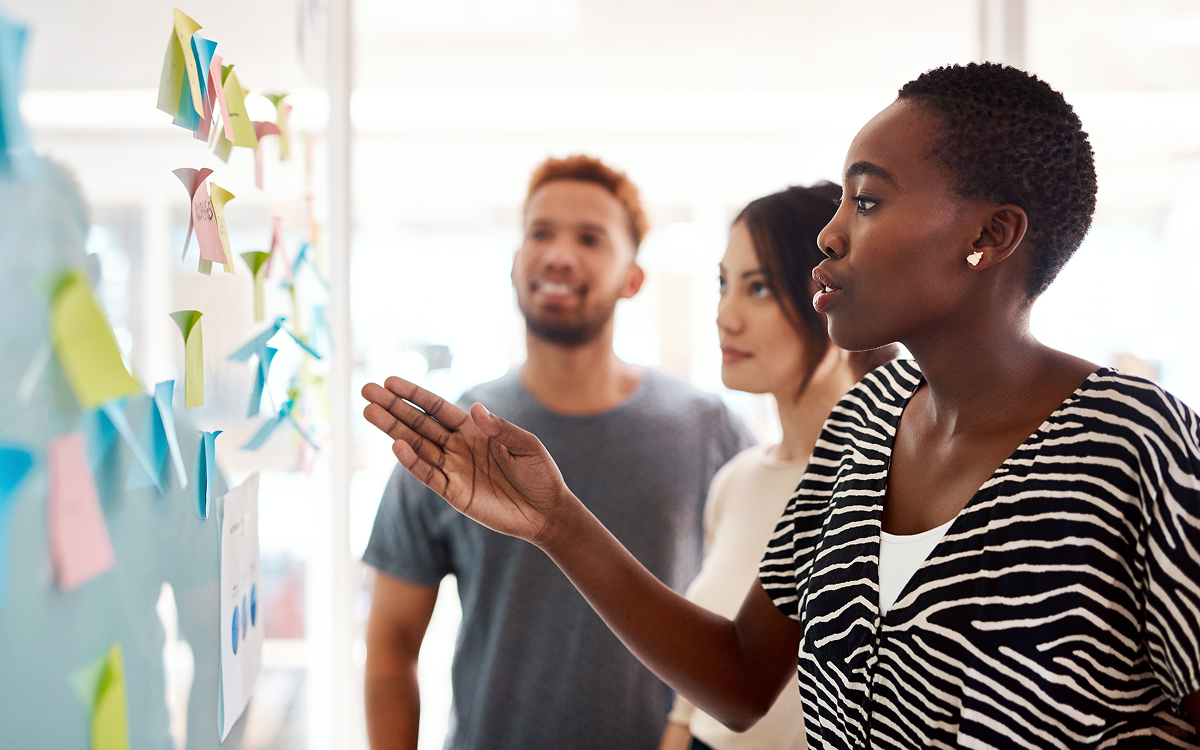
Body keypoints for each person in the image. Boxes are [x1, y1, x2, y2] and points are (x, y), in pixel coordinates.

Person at [362, 63, 1200, 748]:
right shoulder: (865, 429)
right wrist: (557, 522)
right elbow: (739, 680)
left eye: (867, 201)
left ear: (991, 236)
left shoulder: (1133, 441)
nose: (831, 236)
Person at [362, 154, 754, 750]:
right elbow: (391, 645)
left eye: (590, 238)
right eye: (540, 233)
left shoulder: (709, 430)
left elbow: (753, 642)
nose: (558, 254)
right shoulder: (453, 438)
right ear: (515, 264)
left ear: (632, 278)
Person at [658, 185, 895, 750]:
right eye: (723, 284)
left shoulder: (889, 483)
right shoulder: (735, 480)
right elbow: (692, 701)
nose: (725, 316)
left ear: (833, 295)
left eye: (759, 287)